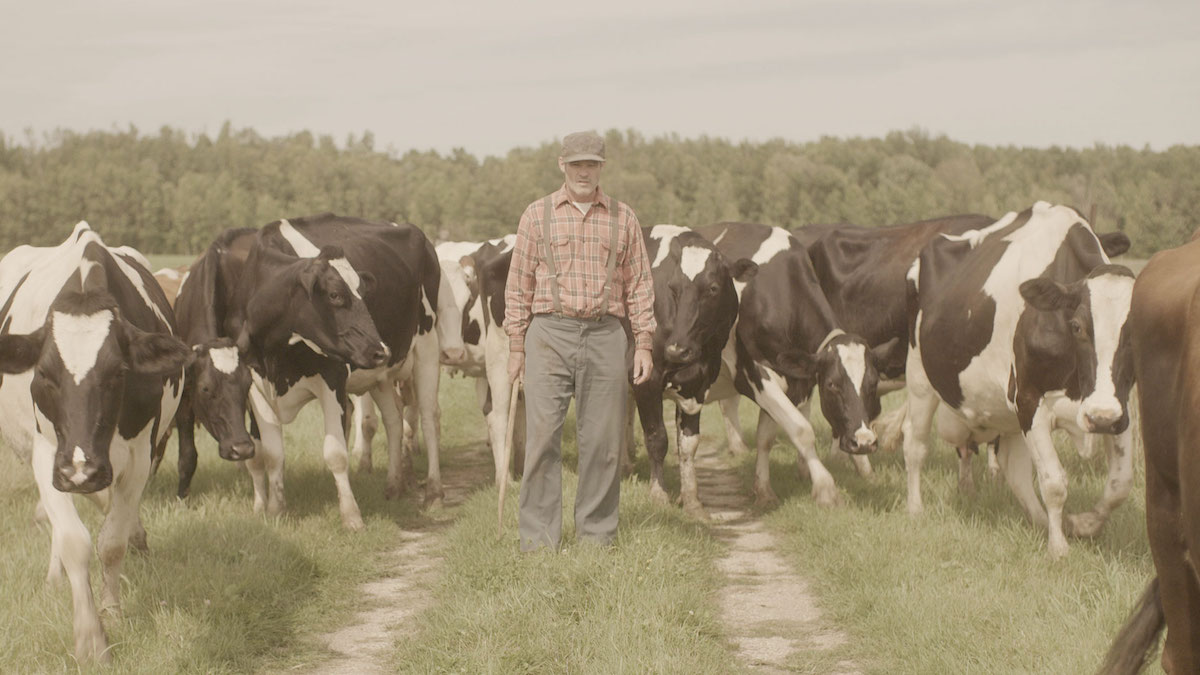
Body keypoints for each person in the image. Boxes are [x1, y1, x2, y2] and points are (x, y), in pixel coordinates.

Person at [504, 130, 656, 552]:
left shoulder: (623, 218)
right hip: (549, 334)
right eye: (576, 165)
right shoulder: (537, 216)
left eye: (591, 164)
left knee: (604, 444)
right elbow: (518, 284)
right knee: (541, 440)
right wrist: (516, 346)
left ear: (602, 167)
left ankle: (596, 538)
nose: (584, 172)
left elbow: (640, 284)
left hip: (607, 334)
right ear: (562, 166)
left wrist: (643, 342)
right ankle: (538, 541)